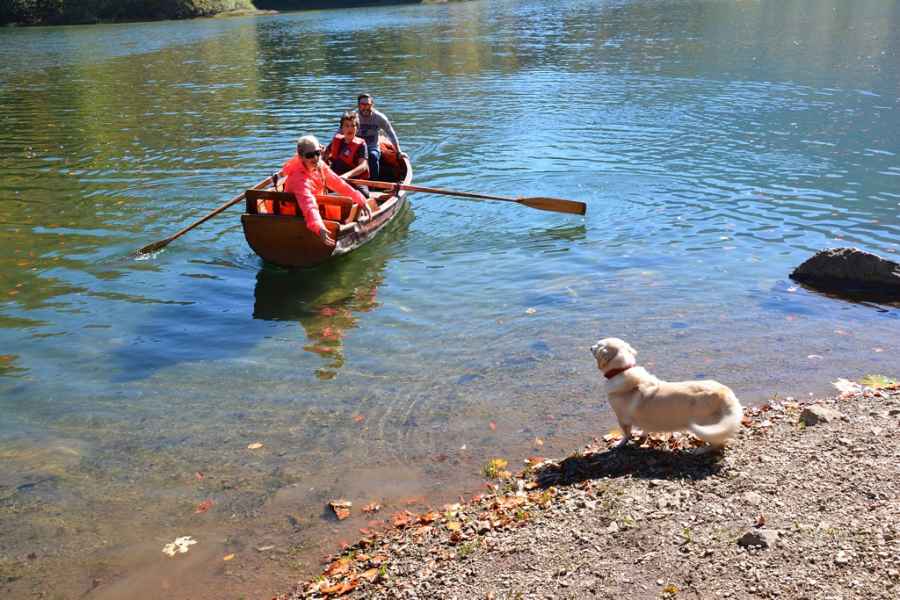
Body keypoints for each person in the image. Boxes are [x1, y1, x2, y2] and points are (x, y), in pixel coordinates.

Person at [282, 135, 371, 246]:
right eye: (310, 155)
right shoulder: (299, 178)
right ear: (300, 157)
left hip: (315, 209)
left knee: (348, 203)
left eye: (317, 153)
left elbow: (338, 183)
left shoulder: (319, 165)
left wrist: (360, 199)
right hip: (296, 216)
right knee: (344, 209)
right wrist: (319, 227)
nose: (315, 158)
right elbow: (308, 204)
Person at [354, 93, 407, 181]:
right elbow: (340, 132)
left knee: (373, 156)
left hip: (372, 146)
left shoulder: (379, 117)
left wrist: (399, 151)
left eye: (368, 104)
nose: (365, 107)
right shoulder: (353, 116)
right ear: (358, 105)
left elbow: (391, 134)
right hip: (356, 146)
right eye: (363, 104)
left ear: (372, 105)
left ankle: (374, 184)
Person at [324, 111, 370, 196]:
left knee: (365, 194)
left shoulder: (361, 145)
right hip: (336, 177)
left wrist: (347, 176)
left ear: (357, 128)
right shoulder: (336, 140)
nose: (350, 129)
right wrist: (320, 154)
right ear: (342, 128)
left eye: (353, 125)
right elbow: (324, 157)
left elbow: (363, 166)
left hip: (354, 179)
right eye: (347, 126)